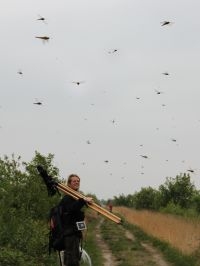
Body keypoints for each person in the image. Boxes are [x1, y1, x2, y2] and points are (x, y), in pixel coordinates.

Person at [59, 174, 93, 266]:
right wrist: (83, 200)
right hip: (70, 234)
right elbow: (71, 209)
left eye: (78, 181)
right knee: (71, 261)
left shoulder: (75, 197)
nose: (77, 182)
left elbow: (75, 210)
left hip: (74, 233)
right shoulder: (67, 198)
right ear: (69, 184)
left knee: (74, 258)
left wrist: (83, 201)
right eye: (74, 181)